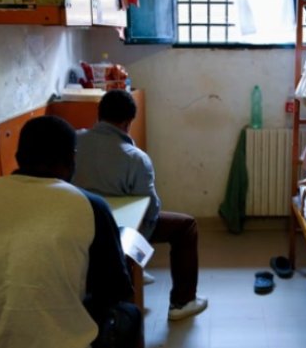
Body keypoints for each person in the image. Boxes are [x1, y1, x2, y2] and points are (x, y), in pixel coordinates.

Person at [0, 115, 140, 348]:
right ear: (72, 158)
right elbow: (115, 291)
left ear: (18, 157)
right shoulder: (90, 205)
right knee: (128, 313)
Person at [72, 89, 208, 321]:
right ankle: (182, 302)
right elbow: (151, 209)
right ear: (128, 123)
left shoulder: (73, 141)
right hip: (117, 232)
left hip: (77, 224)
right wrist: (139, 248)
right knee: (186, 226)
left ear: (99, 115)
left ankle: (134, 266)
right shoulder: (135, 158)